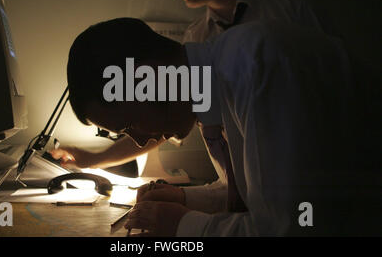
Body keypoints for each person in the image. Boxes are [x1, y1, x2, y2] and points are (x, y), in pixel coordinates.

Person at [65, 17, 376, 236]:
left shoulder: (257, 67)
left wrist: (183, 226)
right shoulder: (209, 92)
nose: (136, 138)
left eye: (128, 124)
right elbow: (258, 195)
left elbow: (287, 228)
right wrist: (185, 200)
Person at [50, 0, 334, 172]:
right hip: (247, 186)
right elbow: (163, 119)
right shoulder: (195, 40)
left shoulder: (289, 3)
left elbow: (334, 79)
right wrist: (96, 159)